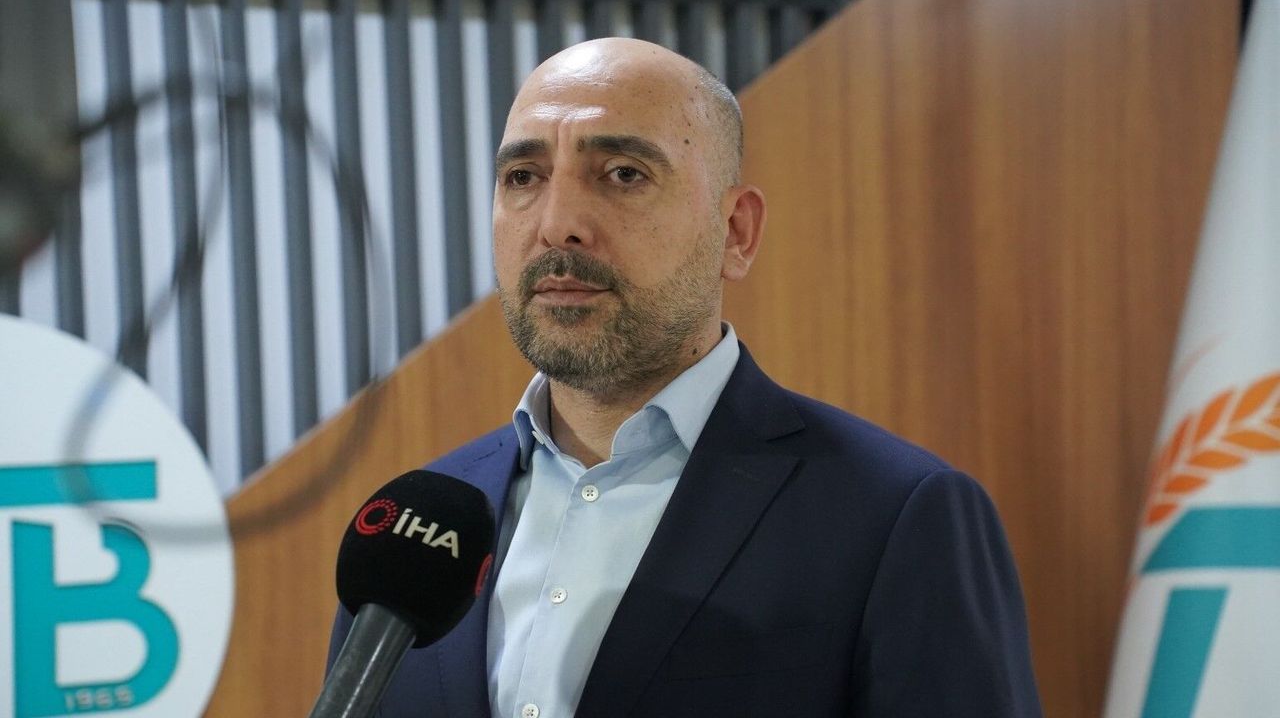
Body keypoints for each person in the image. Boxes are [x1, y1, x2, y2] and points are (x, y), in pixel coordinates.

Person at [328, 37, 1041, 717]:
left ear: (736, 232)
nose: (558, 224)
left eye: (623, 174)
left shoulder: (897, 517)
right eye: (524, 177)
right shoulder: (409, 535)